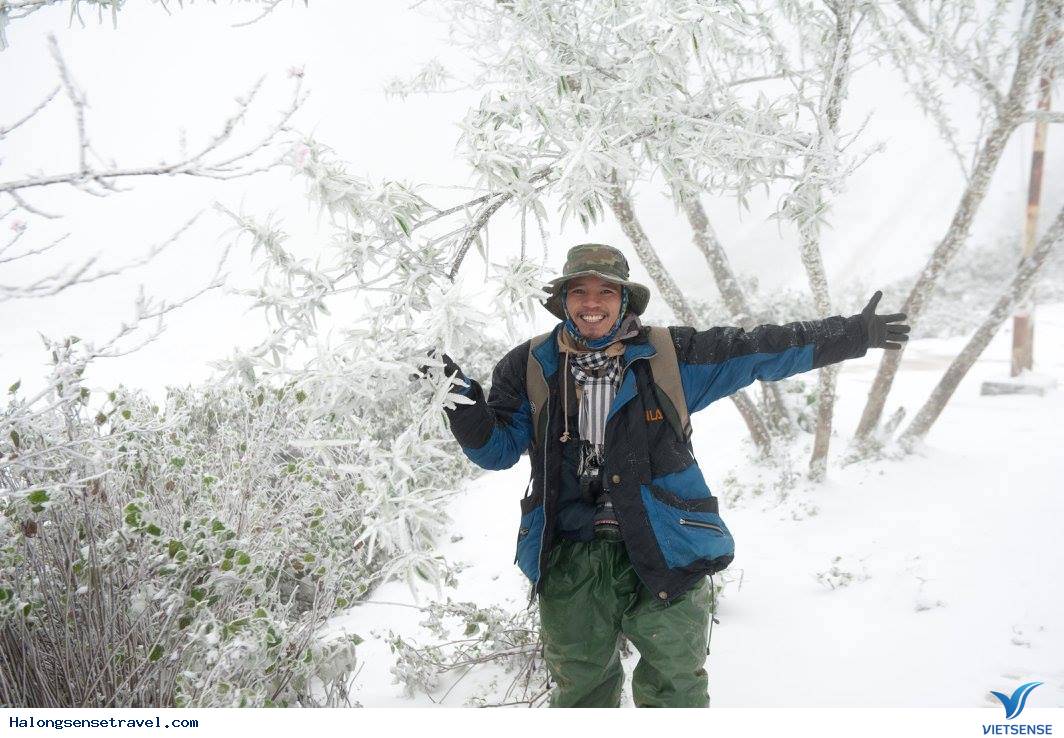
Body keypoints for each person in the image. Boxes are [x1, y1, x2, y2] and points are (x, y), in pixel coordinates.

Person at [435, 243, 909, 708]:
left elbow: (762, 348)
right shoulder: (530, 364)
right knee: (580, 690)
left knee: (675, 688)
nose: (592, 303)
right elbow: (497, 452)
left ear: (625, 300)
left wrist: (854, 333)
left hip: (670, 545)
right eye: (579, 292)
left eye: (606, 291)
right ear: (563, 301)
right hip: (569, 552)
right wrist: (459, 403)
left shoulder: (672, 355)